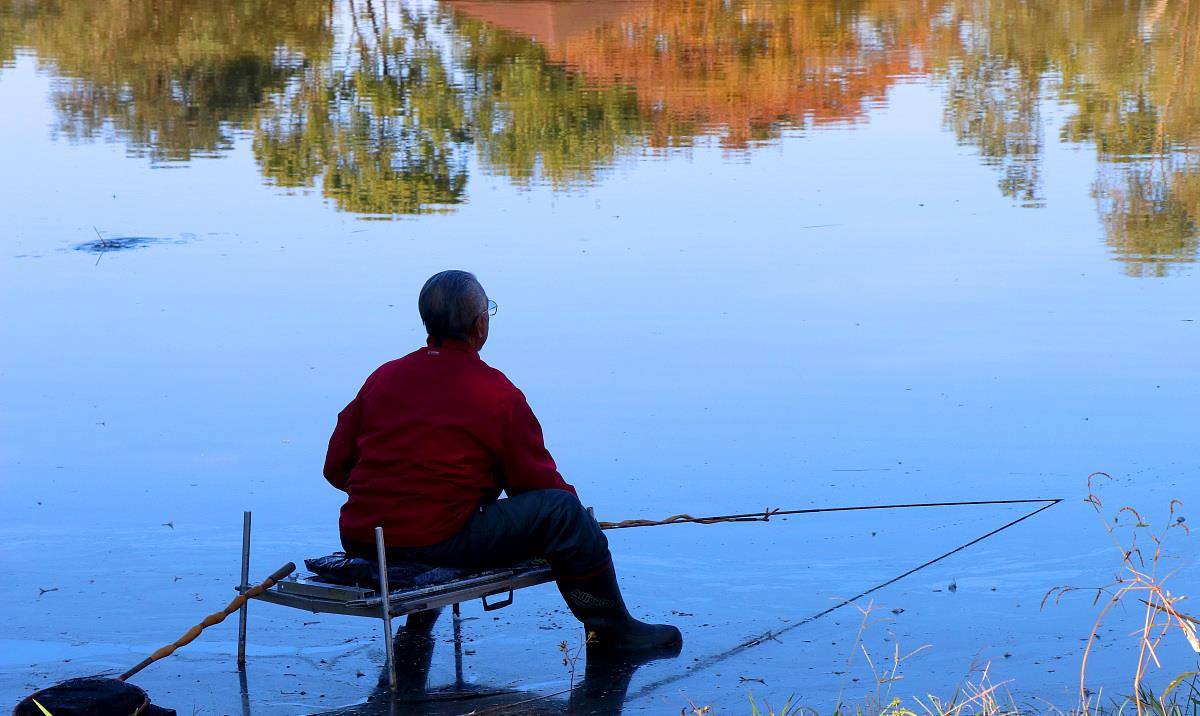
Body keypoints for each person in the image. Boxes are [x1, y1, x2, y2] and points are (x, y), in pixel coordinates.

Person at [323, 270, 681, 652]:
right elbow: (534, 484)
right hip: (434, 540)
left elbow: (336, 467)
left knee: (450, 508)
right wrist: (584, 526)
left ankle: (417, 634)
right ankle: (615, 633)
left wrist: (398, 497)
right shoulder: (495, 392)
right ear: (480, 325)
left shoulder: (383, 377)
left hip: (362, 538)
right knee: (562, 512)